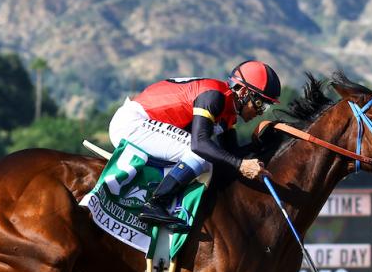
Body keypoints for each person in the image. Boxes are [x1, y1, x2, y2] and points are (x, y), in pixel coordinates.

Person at [108, 60, 281, 232]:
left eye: (265, 107)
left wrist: (262, 144)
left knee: (212, 158)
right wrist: (240, 164)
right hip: (132, 123)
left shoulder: (229, 111)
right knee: (201, 155)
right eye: (260, 104)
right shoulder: (214, 97)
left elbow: (231, 154)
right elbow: (199, 145)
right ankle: (155, 204)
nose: (260, 112)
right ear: (243, 91)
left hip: (145, 124)